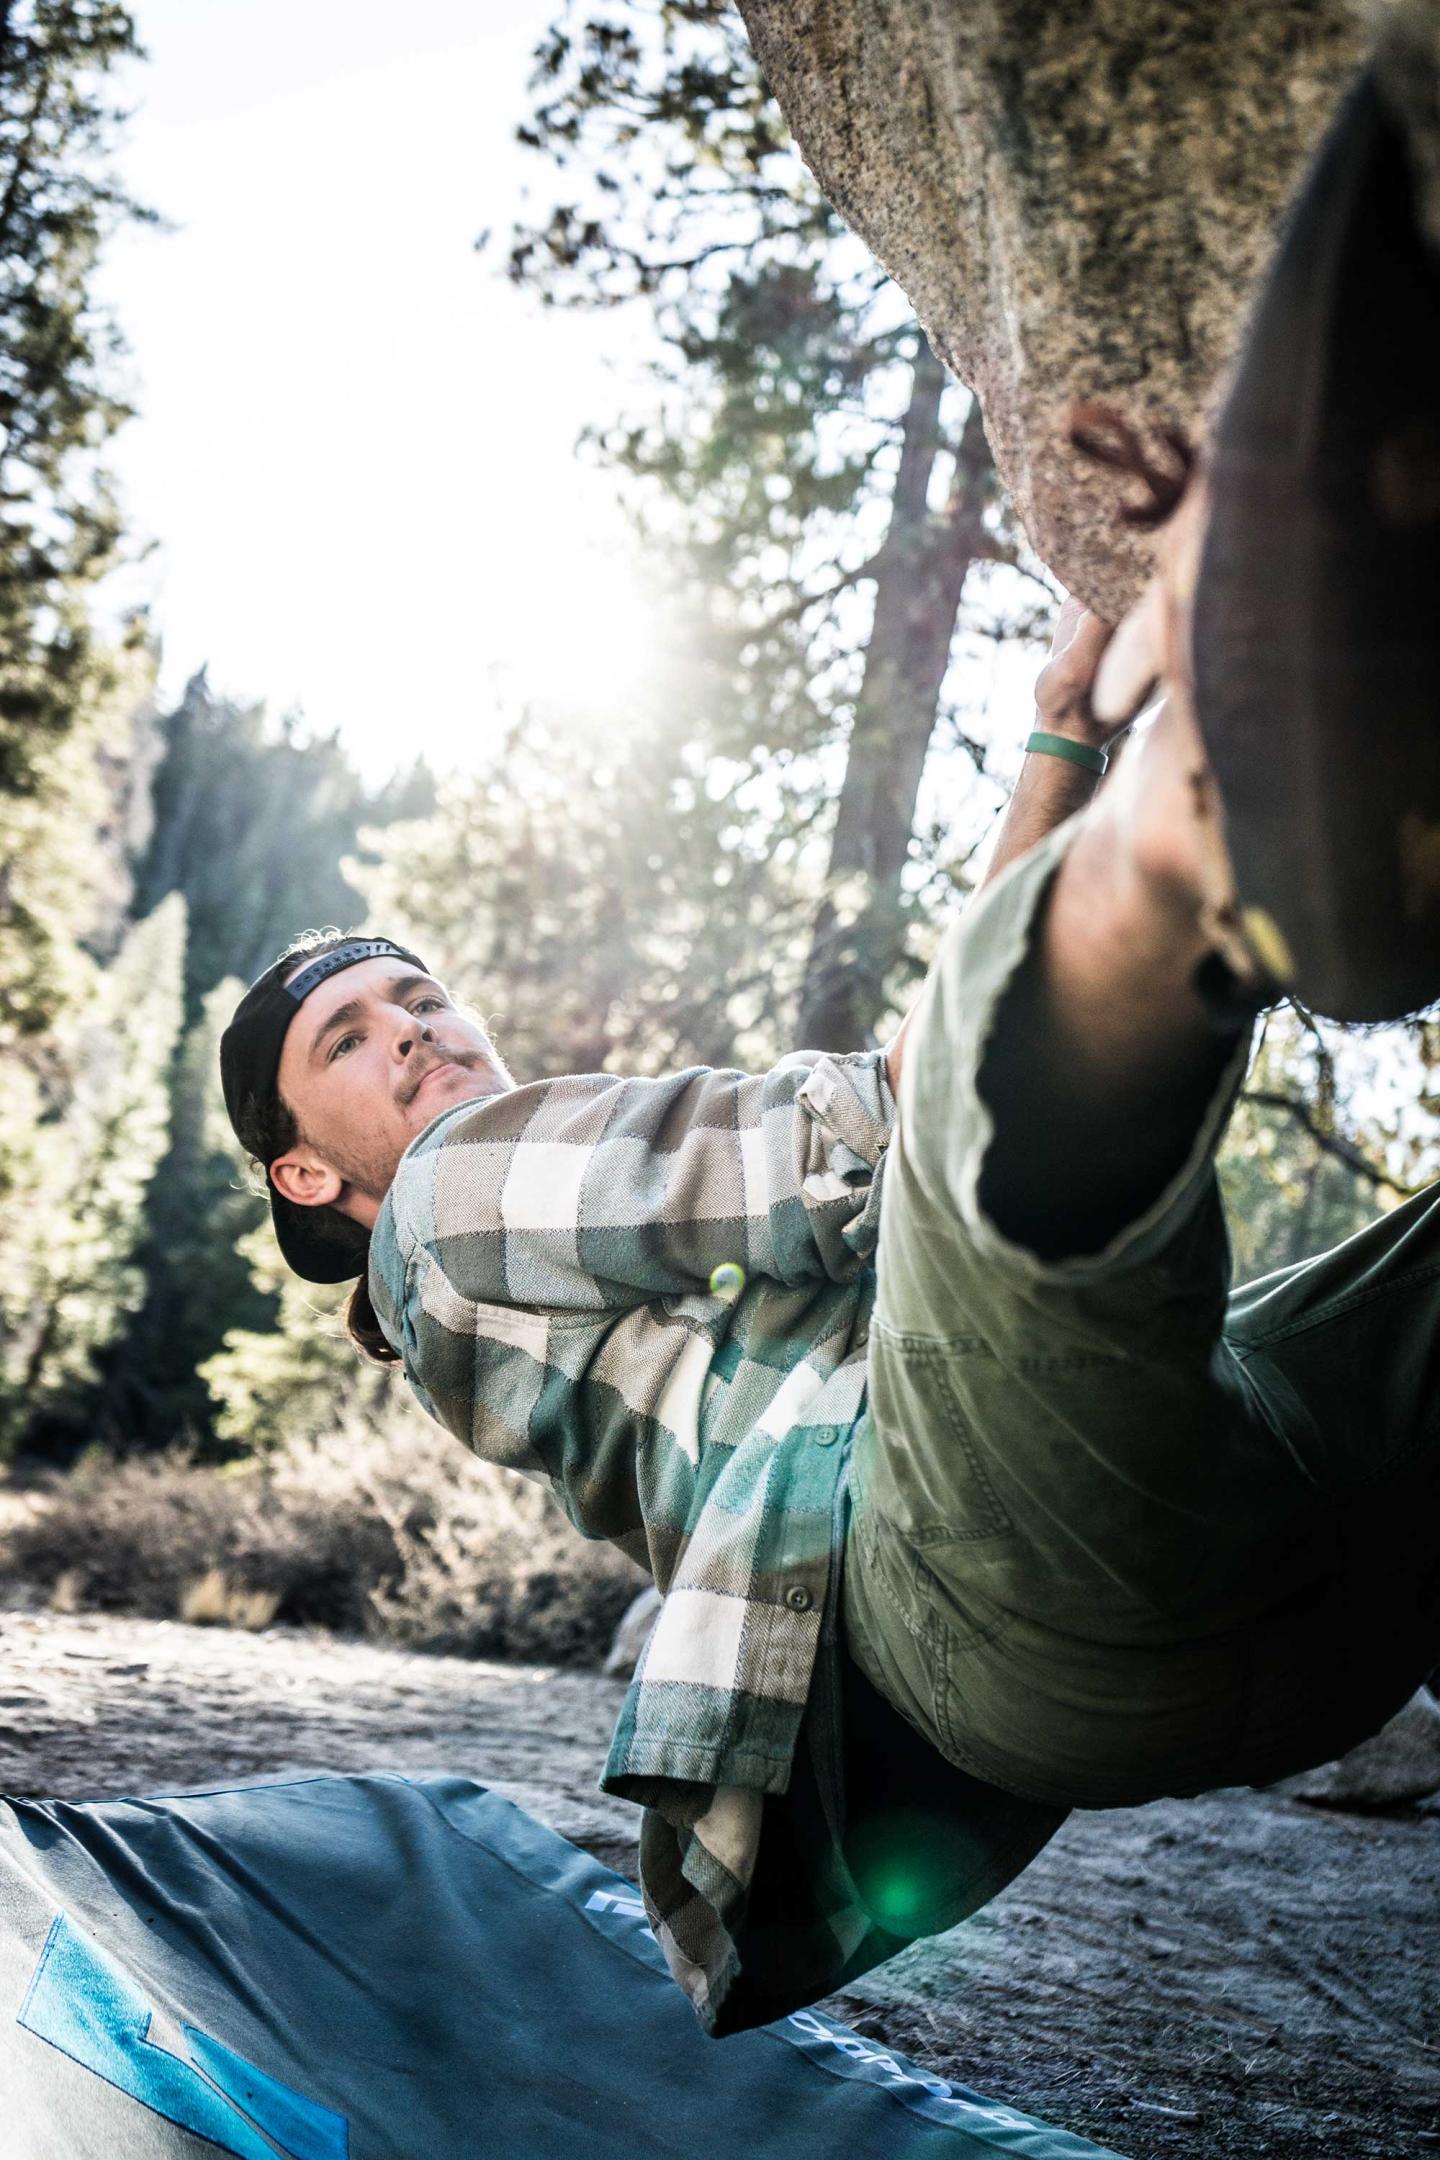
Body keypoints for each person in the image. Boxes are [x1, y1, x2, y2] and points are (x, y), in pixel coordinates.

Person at [219, 67, 1440, 2036]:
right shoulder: (441, 1205)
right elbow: (875, 1131)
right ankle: (1244, 802)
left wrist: (1062, 730)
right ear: (311, 1178)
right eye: (351, 1044)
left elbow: (925, 1154)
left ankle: (1237, 809)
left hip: (1192, 1607)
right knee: (970, 1156)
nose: (415, 1030)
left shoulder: (537, 1271)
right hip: (981, 1582)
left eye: (416, 989)